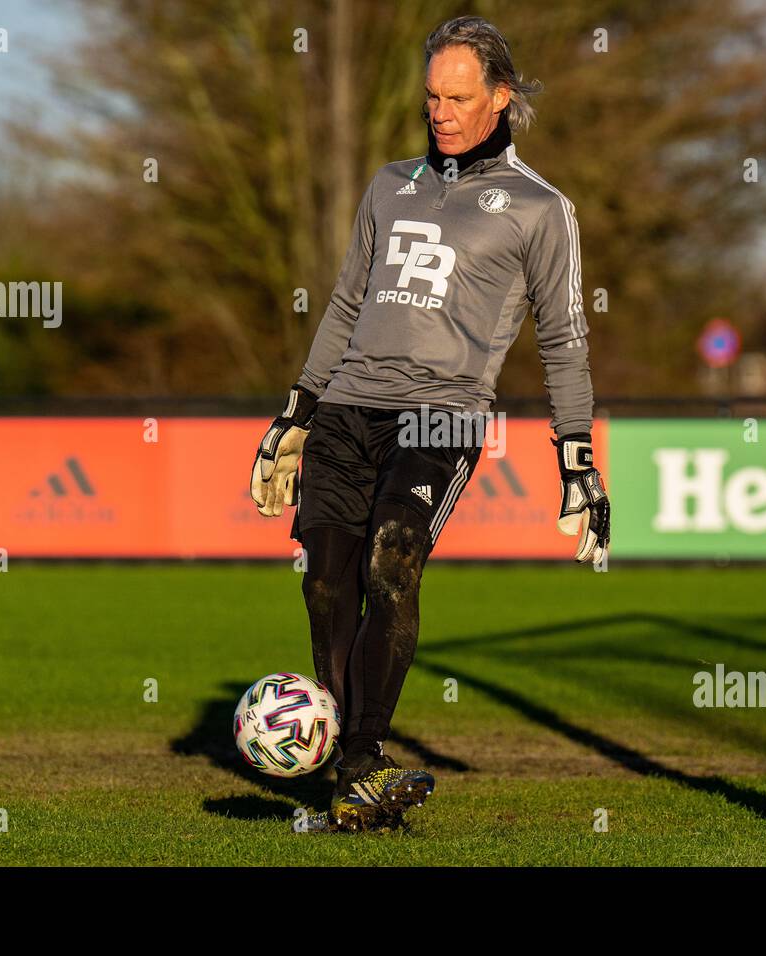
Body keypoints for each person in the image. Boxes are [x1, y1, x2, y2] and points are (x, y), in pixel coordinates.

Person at [250, 15, 610, 833]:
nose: (440, 111)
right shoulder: (388, 183)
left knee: (393, 560)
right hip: (347, 410)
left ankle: (363, 753)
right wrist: (297, 410)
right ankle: (354, 776)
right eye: (431, 96)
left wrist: (578, 457)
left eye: (457, 97)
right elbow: (346, 303)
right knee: (326, 585)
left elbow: (564, 339)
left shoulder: (541, 208)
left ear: (501, 98)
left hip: (444, 417)